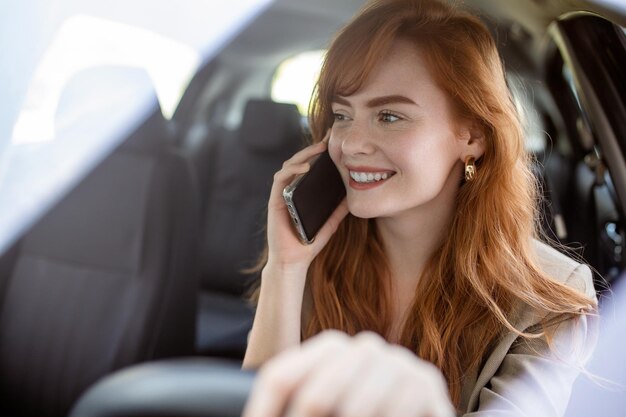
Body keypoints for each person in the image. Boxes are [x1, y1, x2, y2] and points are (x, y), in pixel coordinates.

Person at [242, 0, 598, 416]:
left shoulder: (548, 298)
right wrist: (284, 268)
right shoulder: (316, 257)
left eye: (389, 116)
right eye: (342, 114)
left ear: (473, 136)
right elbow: (260, 404)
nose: (351, 144)